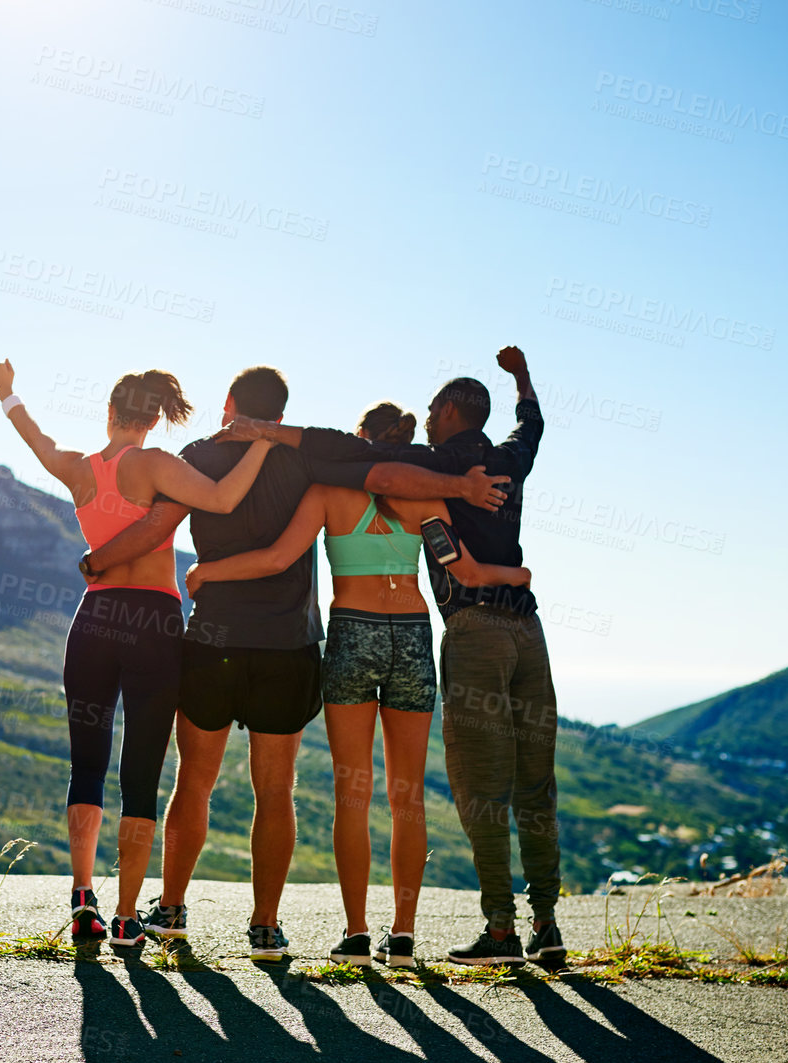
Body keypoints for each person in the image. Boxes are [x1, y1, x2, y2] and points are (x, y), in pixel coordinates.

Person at [80, 366, 512, 962]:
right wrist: (461, 489)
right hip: (289, 646)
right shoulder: (308, 461)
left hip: (213, 640)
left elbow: (160, 523)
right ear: (281, 414)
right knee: (276, 789)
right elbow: (385, 475)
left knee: (194, 782)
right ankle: (264, 926)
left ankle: (173, 910)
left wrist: (97, 561)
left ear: (230, 402)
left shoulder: (198, 458)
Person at [206, 347, 562, 968]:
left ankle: (356, 935)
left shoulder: (330, 490)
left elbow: (275, 558)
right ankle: (404, 936)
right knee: (409, 797)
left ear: (361, 440)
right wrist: (520, 571)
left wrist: (209, 572)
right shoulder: (431, 499)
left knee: (354, 793)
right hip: (414, 634)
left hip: (353, 629)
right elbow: (465, 564)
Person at [0, 359, 276, 948]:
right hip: (152, 621)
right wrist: (263, 446)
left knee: (86, 765)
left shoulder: (79, 468)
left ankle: (82, 900)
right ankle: (125, 916)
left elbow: (35, 440)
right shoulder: (158, 464)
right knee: (140, 773)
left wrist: (8, 393)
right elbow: (220, 500)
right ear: (152, 417)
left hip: (92, 617)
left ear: (112, 412)